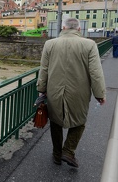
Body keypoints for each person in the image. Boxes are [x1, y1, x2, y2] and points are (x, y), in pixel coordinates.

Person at [37, 17, 106, 168]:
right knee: (79, 121)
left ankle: (57, 154)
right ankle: (68, 150)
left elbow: (44, 69)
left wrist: (41, 89)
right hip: (79, 92)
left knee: (55, 122)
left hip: (54, 91)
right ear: (79, 29)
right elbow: (95, 72)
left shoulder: (50, 44)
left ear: (63, 28)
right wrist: (99, 94)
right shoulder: (89, 45)